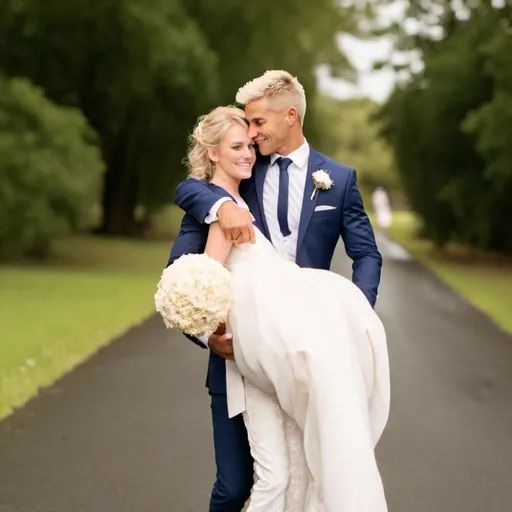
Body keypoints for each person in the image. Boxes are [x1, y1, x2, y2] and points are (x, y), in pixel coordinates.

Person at [170, 71, 385, 511]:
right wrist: (221, 204)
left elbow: (367, 255)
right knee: (235, 486)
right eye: (246, 128)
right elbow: (194, 185)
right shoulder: (246, 168)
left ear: (290, 116)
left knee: (306, 476)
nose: (251, 134)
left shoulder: (339, 180)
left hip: (309, 356)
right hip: (244, 353)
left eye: (258, 123)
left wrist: (351, 317)